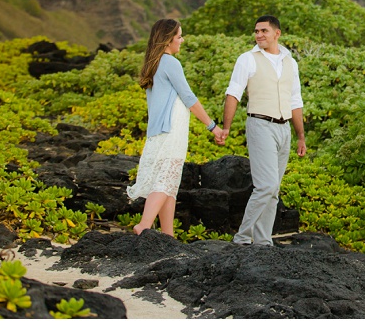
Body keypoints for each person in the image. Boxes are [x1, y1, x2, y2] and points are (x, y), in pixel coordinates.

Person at [127, 18, 224, 236]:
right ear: (168, 39)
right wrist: (213, 127)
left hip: (158, 130)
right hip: (171, 130)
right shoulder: (170, 62)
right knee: (165, 180)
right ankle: (144, 225)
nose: (182, 40)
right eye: (179, 36)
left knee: (169, 183)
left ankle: (167, 235)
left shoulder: (154, 62)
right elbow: (189, 98)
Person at [218, 15, 306, 245]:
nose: (258, 35)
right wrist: (226, 127)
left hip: (284, 128)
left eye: (264, 31)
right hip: (259, 124)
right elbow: (233, 93)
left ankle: (263, 242)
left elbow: (295, 101)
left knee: (273, 190)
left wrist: (301, 136)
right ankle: (242, 237)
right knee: (265, 185)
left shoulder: (290, 62)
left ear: (277, 33)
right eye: (256, 31)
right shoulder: (247, 59)